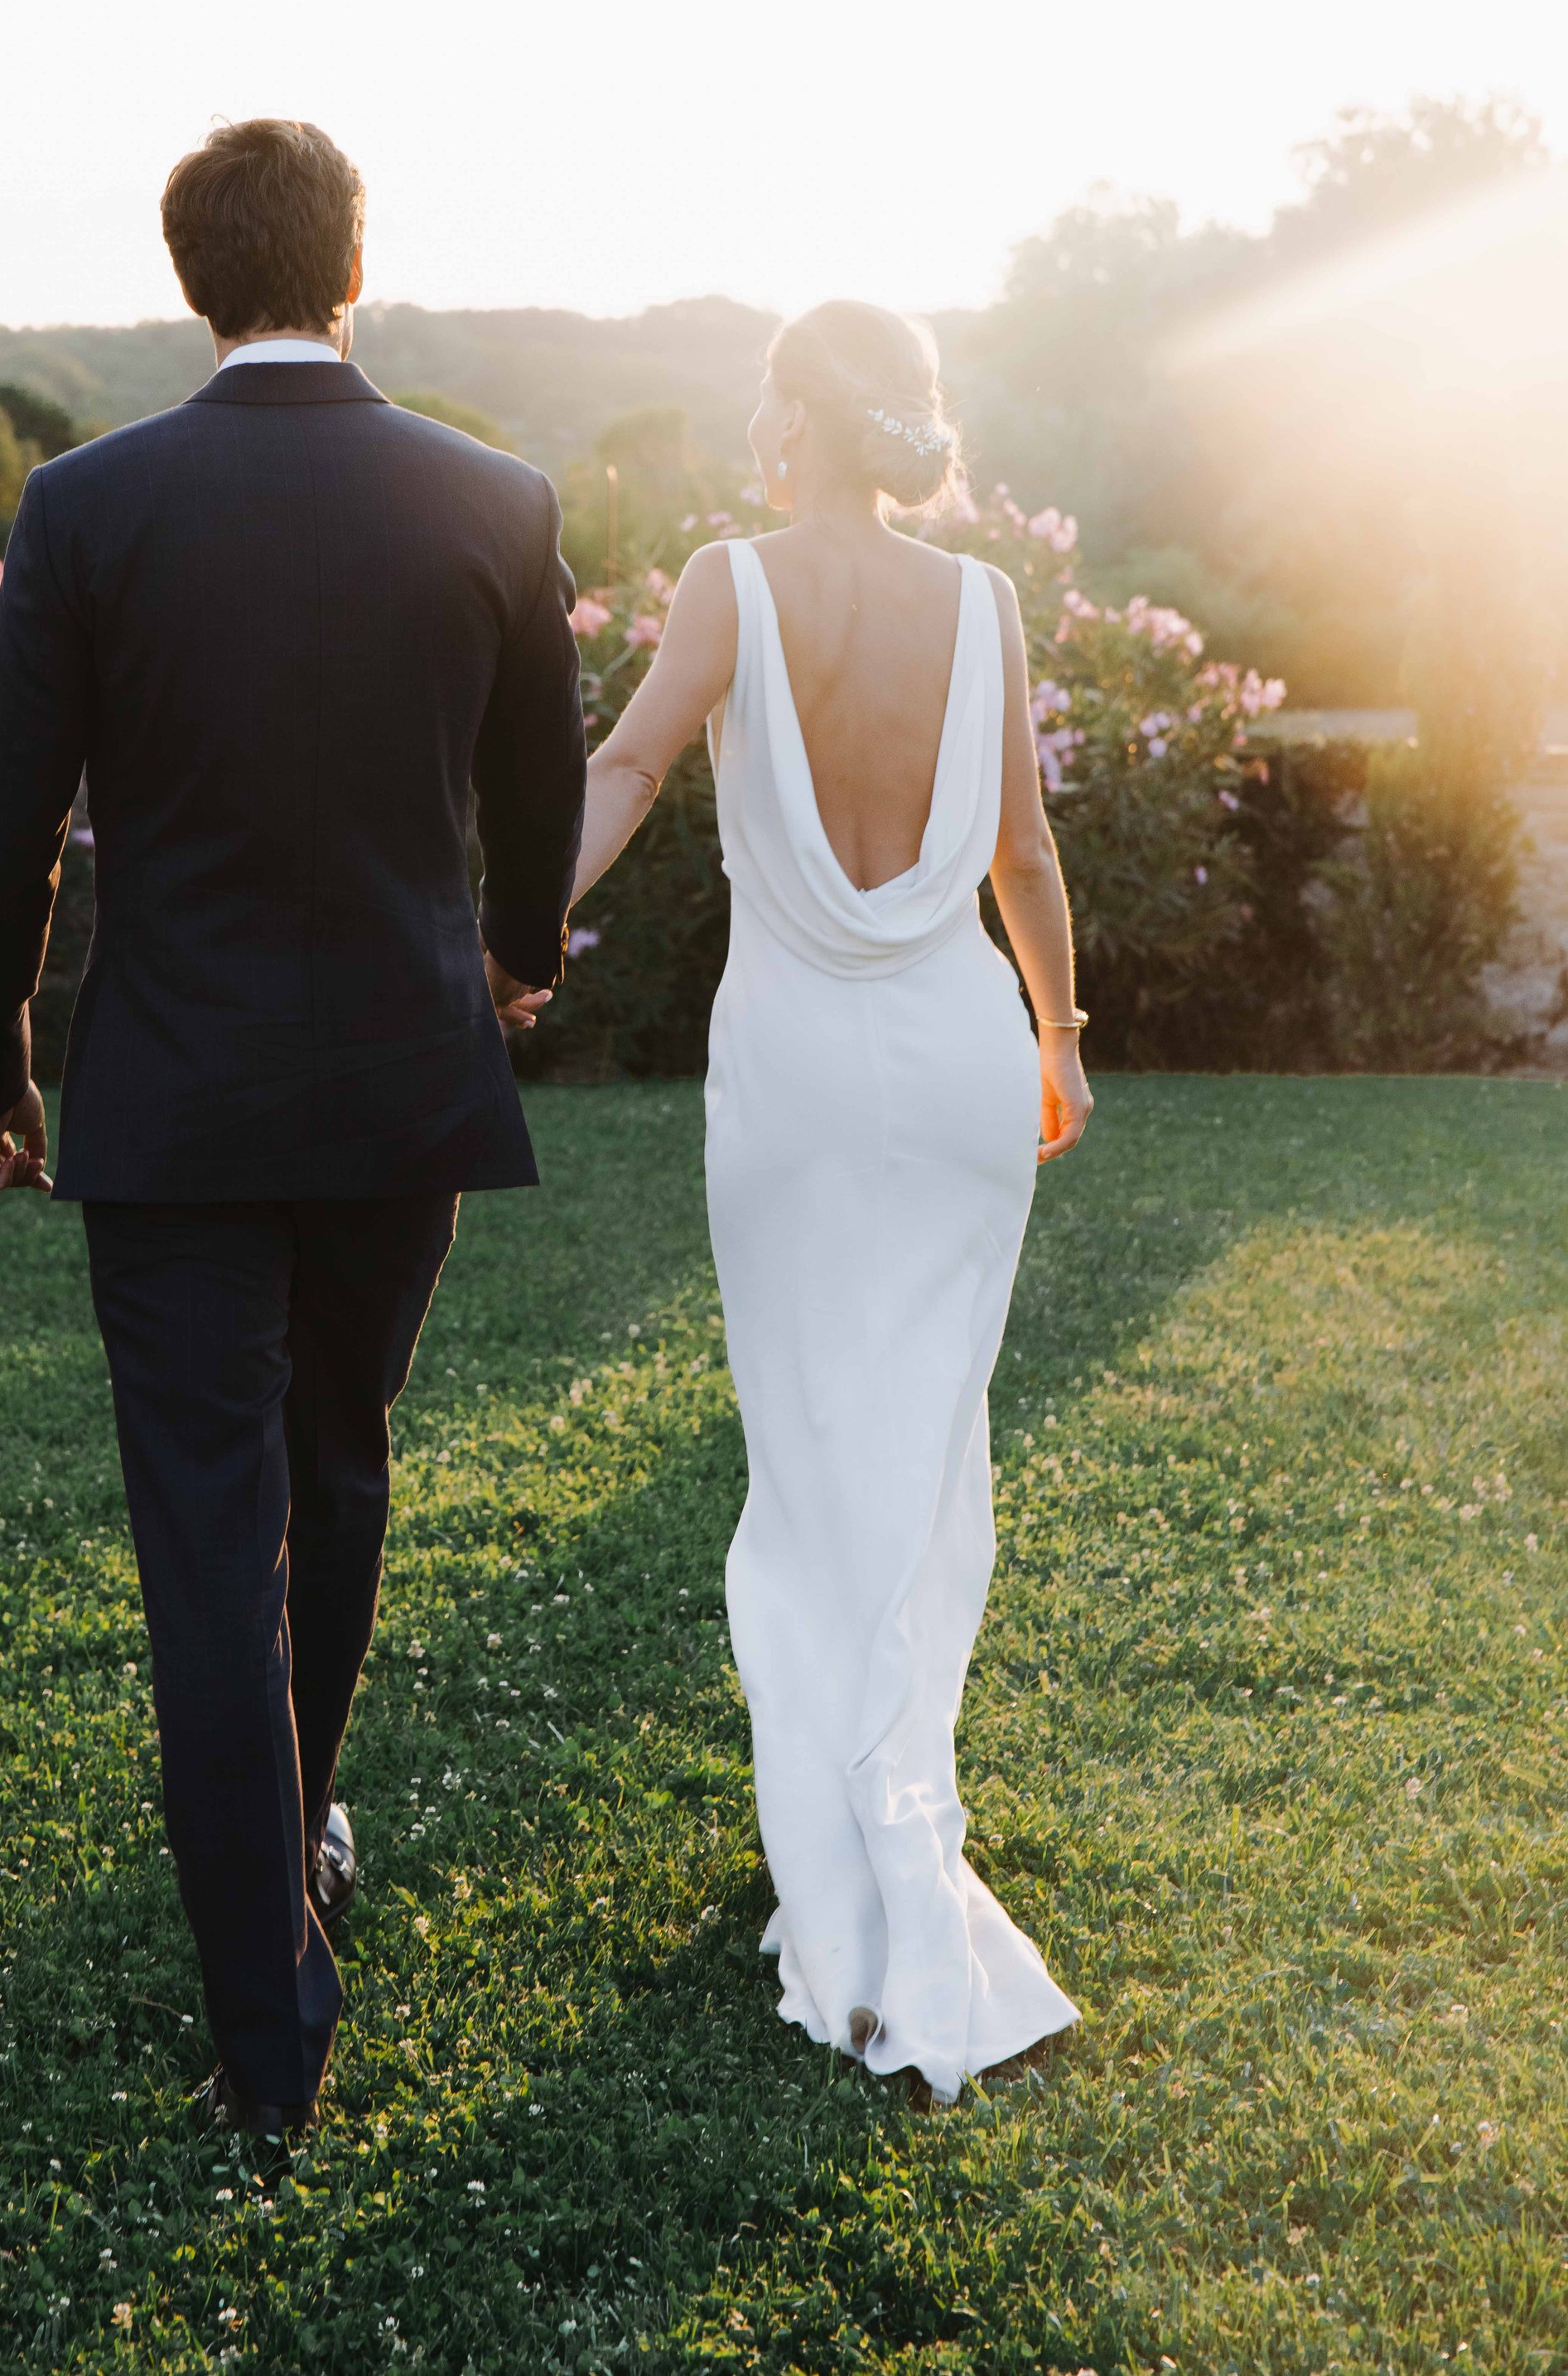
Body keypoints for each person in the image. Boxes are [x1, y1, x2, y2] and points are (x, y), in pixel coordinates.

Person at [0, 118, 585, 2150]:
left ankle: (267, 2024)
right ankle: (289, 1848)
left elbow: (1, 823)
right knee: (339, 1461)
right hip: (399, 1084)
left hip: (173, 1100)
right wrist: (514, 960)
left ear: (188, 279)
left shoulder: (89, 504)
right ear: (352, 265)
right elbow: (543, 786)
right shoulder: (492, 495)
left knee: (213, 1534)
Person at [569, 299, 1087, 2103]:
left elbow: (628, 764)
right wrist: (1059, 1037)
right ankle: (891, 1809)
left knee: (808, 1464)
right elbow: (1024, 850)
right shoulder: (983, 601)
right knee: (925, 1454)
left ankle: (848, 1873)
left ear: (796, 414)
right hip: (960, 1057)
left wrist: (510, 933)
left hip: (794, 1069)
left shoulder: (731, 580)